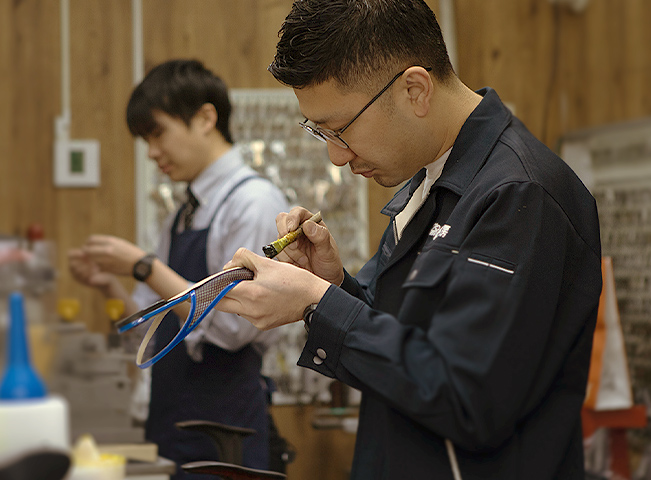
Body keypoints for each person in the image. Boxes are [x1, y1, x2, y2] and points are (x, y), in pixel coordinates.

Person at [215, 1, 603, 479]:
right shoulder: (429, 183)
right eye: (320, 132)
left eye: (340, 129)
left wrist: (318, 305)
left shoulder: (519, 195)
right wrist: (334, 287)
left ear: (414, 90)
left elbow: (468, 399)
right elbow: (408, 344)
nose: (337, 156)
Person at [68, 59, 288, 478]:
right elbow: (156, 328)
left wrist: (144, 266)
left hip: (225, 431)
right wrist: (108, 285)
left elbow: (238, 326)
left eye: (158, 134)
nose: (152, 153)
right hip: (173, 424)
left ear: (206, 118)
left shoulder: (253, 202)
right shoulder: (182, 216)